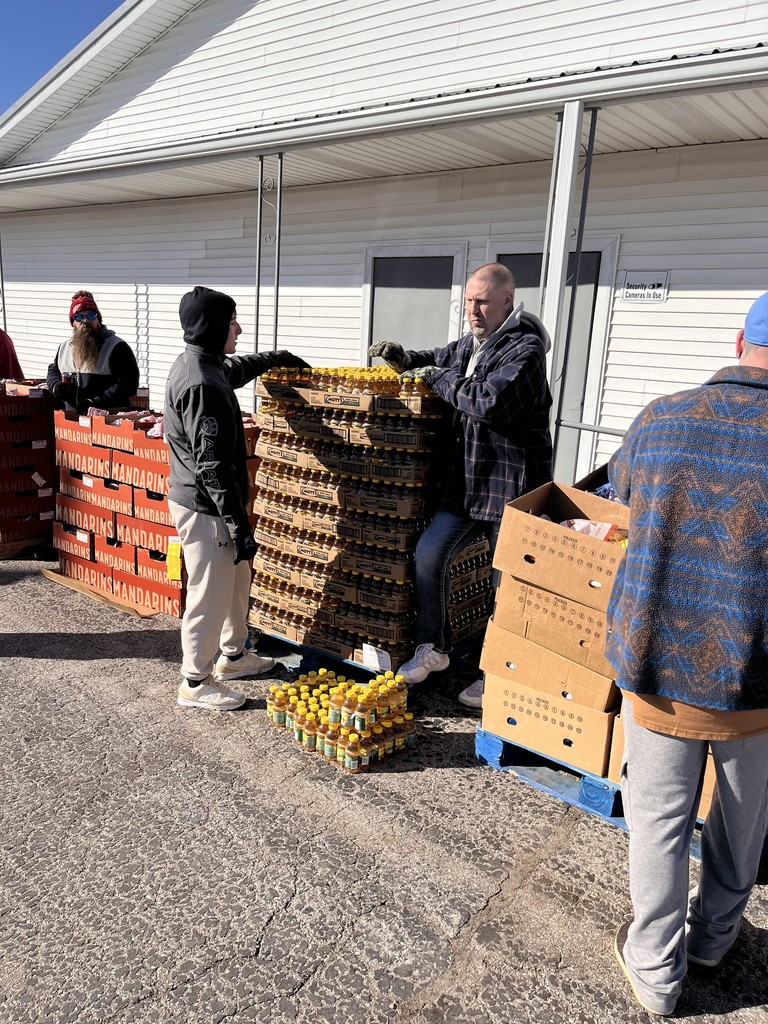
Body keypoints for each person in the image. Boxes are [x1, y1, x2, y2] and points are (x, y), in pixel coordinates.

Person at [606, 292, 768, 1017]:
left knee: (660, 821)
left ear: (740, 340)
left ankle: (656, 973)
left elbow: (623, 496)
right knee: (742, 822)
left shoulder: (661, 416)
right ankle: (712, 939)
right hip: (756, 672)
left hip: (658, 656)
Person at [369, 263, 552, 706]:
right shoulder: (472, 343)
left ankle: (501, 671)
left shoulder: (525, 351)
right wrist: (405, 360)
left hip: (510, 486)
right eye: (469, 300)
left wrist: (436, 377)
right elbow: (436, 357)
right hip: (467, 484)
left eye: (482, 301)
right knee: (429, 555)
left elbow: (486, 401)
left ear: (507, 300)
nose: (473, 309)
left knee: (505, 583)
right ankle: (433, 648)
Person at [165, 285, 311, 712]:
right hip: (207, 507)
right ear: (213, 327)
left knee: (235, 585)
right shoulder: (201, 384)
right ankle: (195, 681)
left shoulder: (203, 363)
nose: (240, 330)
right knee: (210, 595)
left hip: (214, 505)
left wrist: (274, 358)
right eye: (232, 323)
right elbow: (212, 468)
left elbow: (234, 369)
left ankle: (233, 656)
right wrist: (237, 525)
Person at [47, 290, 140, 413]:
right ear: (73, 323)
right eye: (79, 317)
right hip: (73, 421)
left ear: (98, 320)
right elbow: (53, 370)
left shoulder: (116, 347)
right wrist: (55, 385)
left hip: (106, 421)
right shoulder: (64, 347)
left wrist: (96, 402)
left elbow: (128, 385)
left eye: (91, 316)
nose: (85, 321)